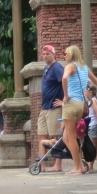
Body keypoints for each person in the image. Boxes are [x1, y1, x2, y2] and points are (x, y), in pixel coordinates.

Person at [56, 45, 97, 176]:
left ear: (72, 54)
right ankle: (79, 165)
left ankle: (79, 167)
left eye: (66, 53)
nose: (64, 55)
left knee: (71, 136)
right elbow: (96, 82)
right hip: (81, 105)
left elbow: (65, 78)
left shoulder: (70, 66)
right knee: (67, 136)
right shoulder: (84, 68)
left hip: (71, 104)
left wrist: (65, 95)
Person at [38, 45, 65, 173]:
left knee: (56, 135)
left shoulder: (57, 68)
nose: (45, 56)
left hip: (54, 108)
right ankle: (41, 165)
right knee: (41, 136)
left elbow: (66, 82)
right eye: (43, 54)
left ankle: (58, 164)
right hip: (44, 107)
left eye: (48, 53)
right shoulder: (46, 68)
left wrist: (64, 100)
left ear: (54, 54)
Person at [85, 85, 97, 168]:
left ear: (91, 91)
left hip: (93, 125)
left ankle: (91, 164)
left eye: (86, 91)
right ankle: (89, 163)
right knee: (89, 145)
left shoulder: (93, 100)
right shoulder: (88, 101)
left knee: (92, 145)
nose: (84, 92)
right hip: (89, 125)